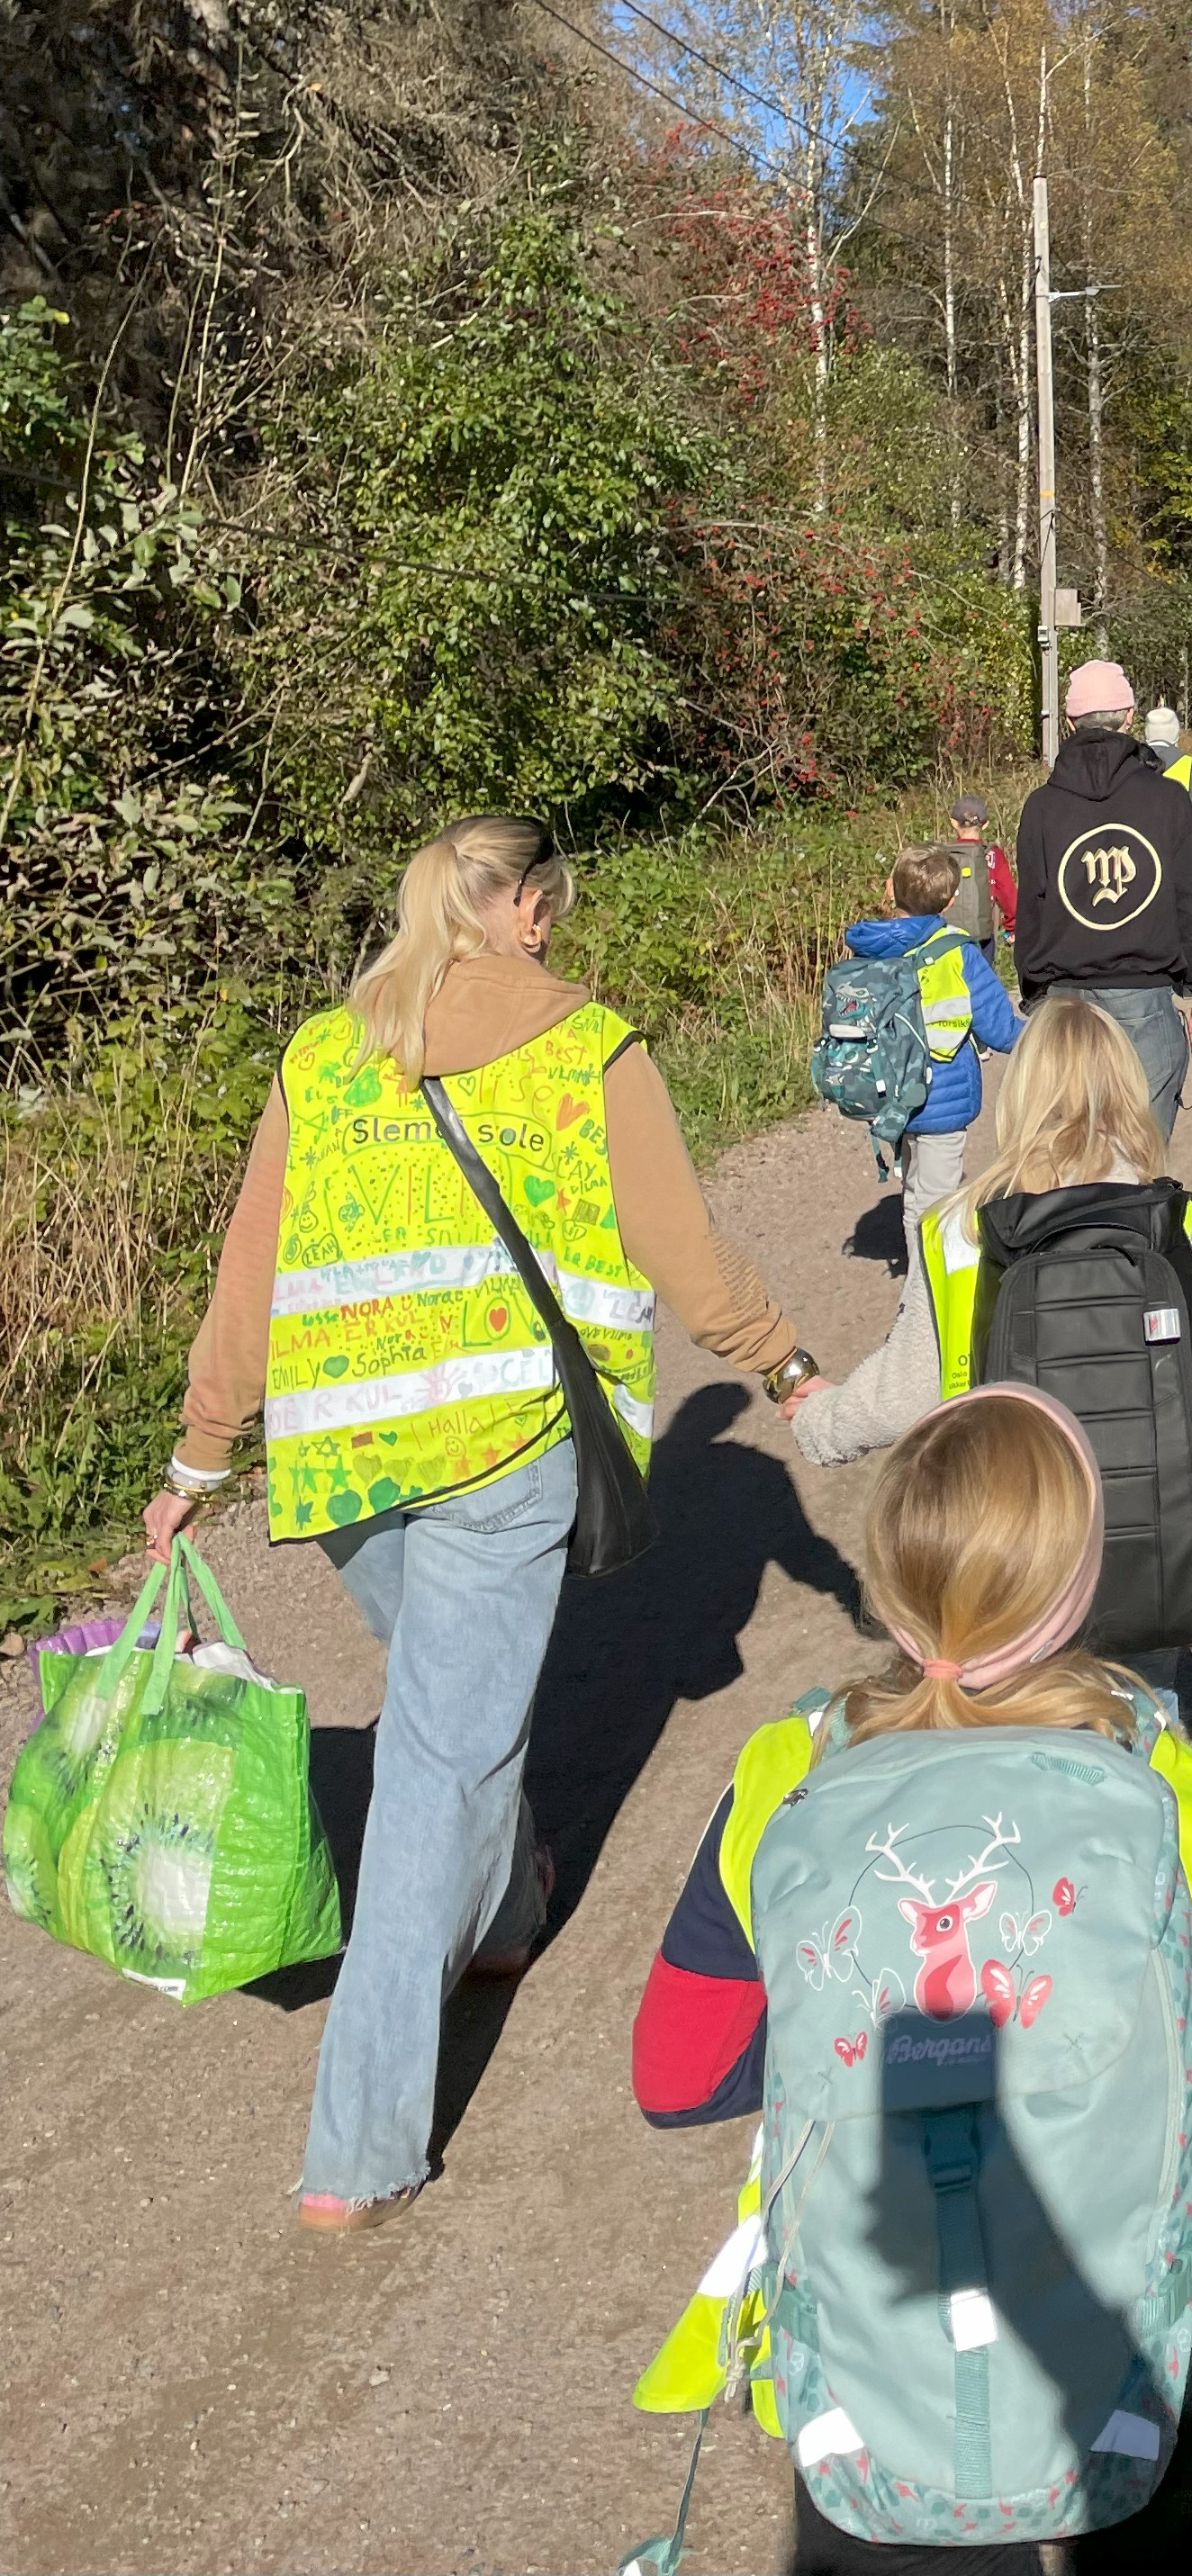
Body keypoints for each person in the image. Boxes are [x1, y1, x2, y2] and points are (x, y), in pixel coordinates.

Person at [140, 815, 819, 2229]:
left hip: (342, 1468)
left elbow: (250, 1265)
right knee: (439, 1767)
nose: (552, 929)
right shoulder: (590, 1047)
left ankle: (505, 1917)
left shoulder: (327, 1054)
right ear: (519, 910)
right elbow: (681, 1251)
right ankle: (358, 2148)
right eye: (547, 906)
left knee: (459, 1714)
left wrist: (205, 1453)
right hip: (503, 1448)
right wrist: (784, 1360)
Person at [631, 1386, 1192, 2567]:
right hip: (1112, 2365)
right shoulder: (1159, 1783)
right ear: (1079, 1590)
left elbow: (677, 2075)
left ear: (883, 1588)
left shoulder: (787, 1770)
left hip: (860, 2386)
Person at [791, 995, 1192, 1637]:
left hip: (1004, 1555)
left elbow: (902, 1393)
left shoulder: (959, 1232)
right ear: (1128, 1090)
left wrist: (820, 1421)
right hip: (1149, 1557)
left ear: (1020, 1094)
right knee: (1142, 1723)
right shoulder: (1186, 1236)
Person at [1016, 661, 1192, 1144]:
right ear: (1129, 717)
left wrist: (1034, 991)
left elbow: (1032, 906)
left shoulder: (1041, 807)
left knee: (1067, 1161)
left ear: (1069, 723)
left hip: (1063, 1007)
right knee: (1139, 1164)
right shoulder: (1168, 799)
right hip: (1144, 1001)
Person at [835, 845, 1025, 1226]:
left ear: (891, 889)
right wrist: (1054, 1031)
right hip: (943, 1097)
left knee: (916, 1195)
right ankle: (924, 1287)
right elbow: (1002, 1031)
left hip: (890, 1093)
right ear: (951, 900)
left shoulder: (869, 948)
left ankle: (918, 1275)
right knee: (938, 1210)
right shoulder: (957, 951)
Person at [944, 795, 1017, 966]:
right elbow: (1009, 897)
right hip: (982, 934)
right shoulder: (992, 855)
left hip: (948, 935)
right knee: (981, 982)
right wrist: (1011, 926)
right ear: (985, 824)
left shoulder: (945, 856)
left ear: (953, 823)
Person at [1145, 703, 1192, 851]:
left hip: (1140, 843)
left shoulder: (1133, 760)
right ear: (1175, 733)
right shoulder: (1186, 764)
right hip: (1176, 846)